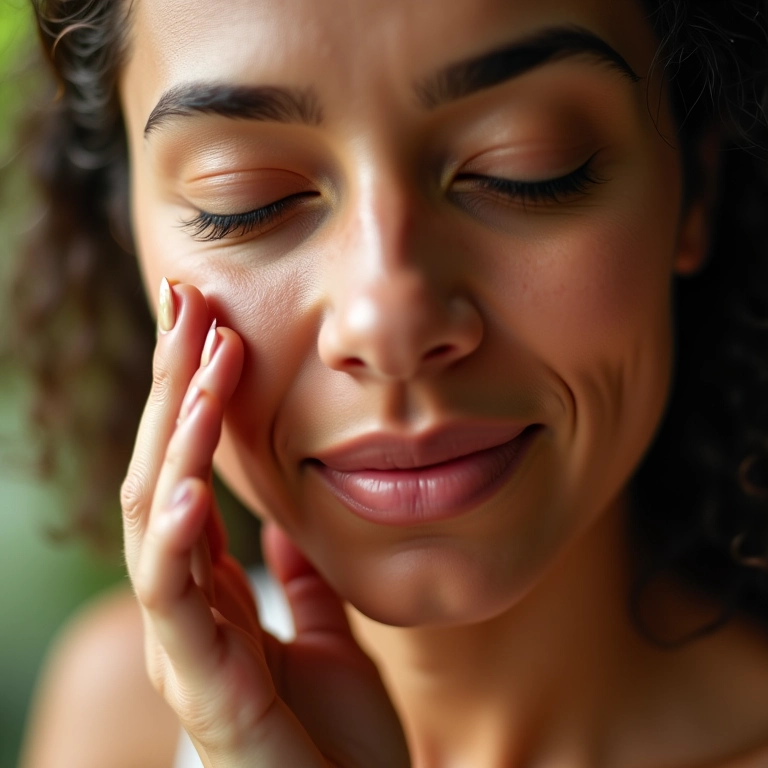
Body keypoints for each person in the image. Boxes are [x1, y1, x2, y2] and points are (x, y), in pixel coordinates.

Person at [13, 0, 768, 765]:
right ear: (127, 228)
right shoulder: (119, 720)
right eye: (243, 197)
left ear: (695, 182)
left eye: (526, 165)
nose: (391, 323)